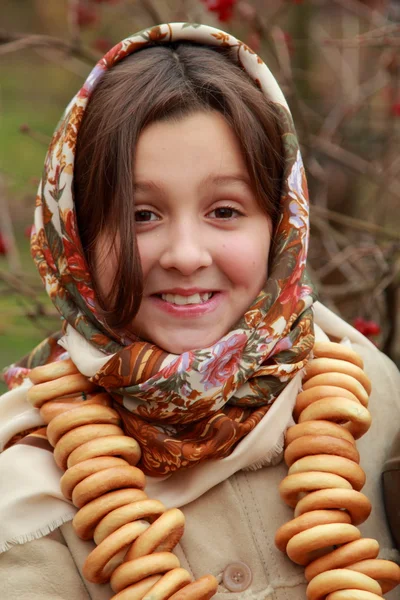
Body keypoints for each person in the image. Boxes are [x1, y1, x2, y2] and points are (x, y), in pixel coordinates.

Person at [0, 22, 399, 600]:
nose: (186, 255)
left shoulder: (374, 399)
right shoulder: (29, 487)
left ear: (282, 224)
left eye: (225, 210)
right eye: (140, 215)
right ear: (77, 240)